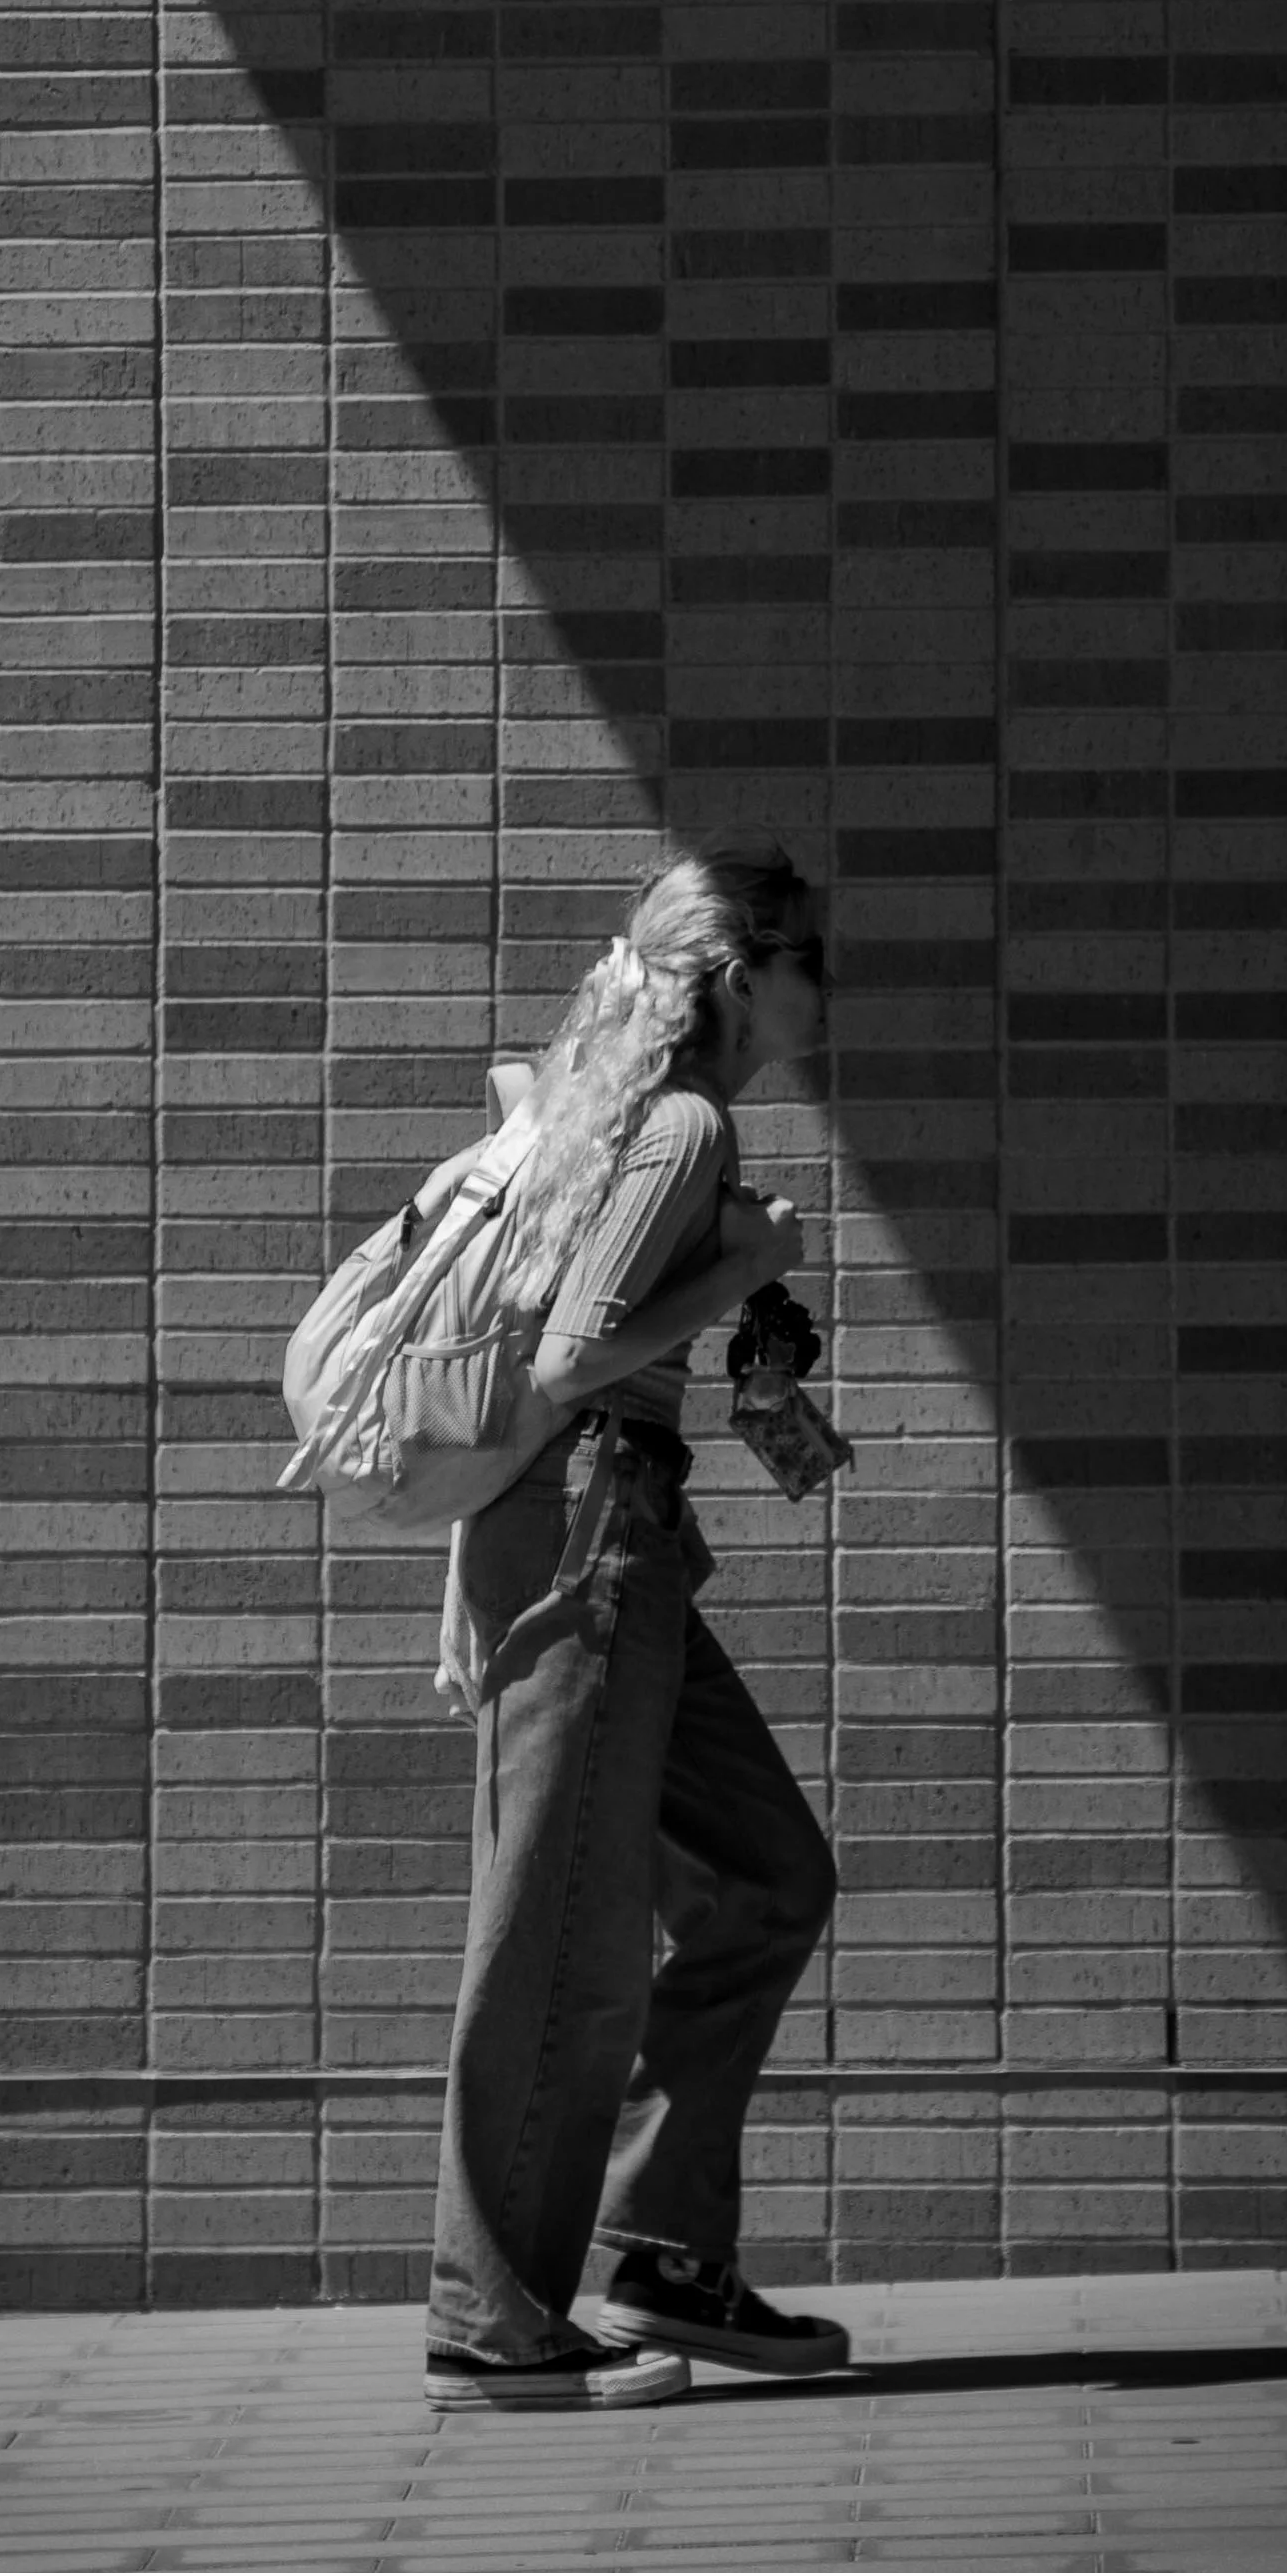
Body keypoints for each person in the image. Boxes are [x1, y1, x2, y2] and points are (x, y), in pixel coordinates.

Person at [423, 835, 850, 2410]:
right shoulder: (678, 1125)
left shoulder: (654, 1124)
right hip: (595, 1527)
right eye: (811, 955)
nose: (827, 986)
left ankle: (661, 2241)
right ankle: (491, 2320)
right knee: (558, 1937)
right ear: (739, 970)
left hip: (620, 1528)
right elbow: (571, 1358)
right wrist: (746, 1260)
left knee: (766, 1876)